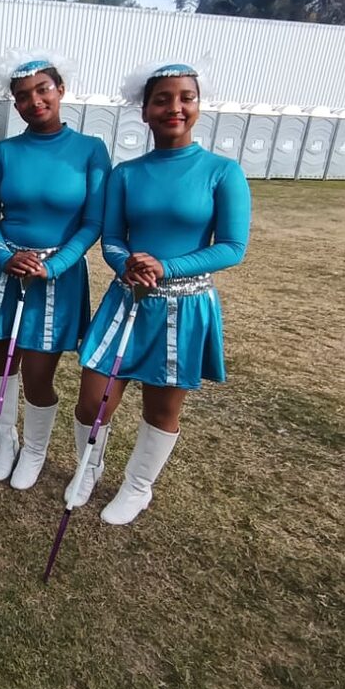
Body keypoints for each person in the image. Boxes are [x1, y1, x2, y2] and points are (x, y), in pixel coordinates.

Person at [65, 60, 250, 524]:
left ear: (198, 106)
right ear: (144, 111)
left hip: (183, 306)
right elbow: (111, 239)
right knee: (94, 398)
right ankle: (88, 468)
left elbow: (231, 247)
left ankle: (137, 487)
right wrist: (127, 264)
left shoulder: (223, 172)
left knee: (161, 405)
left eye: (185, 98)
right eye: (162, 99)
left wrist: (165, 266)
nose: (175, 107)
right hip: (127, 299)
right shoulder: (126, 173)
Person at [0, 51, 111, 490]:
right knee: (3, 361)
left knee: (39, 371)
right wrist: (2, 255)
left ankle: (34, 449)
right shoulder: (4, 151)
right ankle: (5, 440)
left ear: (60, 90)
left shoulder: (91, 150)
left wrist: (54, 266)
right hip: (7, 270)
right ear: (14, 104)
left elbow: (94, 222)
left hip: (57, 275)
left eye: (42, 90)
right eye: (22, 96)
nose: (34, 101)